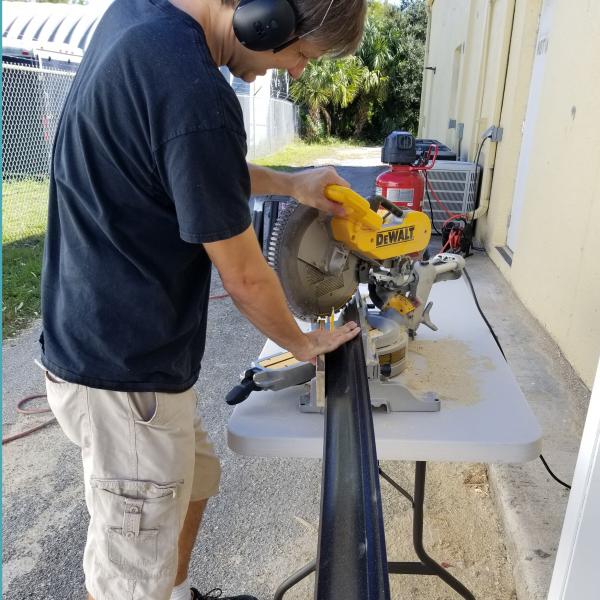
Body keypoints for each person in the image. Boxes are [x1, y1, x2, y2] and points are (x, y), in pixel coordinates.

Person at [40, 0, 367, 598]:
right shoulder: (193, 86)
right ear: (266, 15)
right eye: (299, 53)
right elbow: (243, 275)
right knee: (130, 575)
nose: (296, 71)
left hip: (109, 346)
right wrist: (303, 341)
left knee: (195, 479)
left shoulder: (141, 22)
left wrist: (292, 182)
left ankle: (175, 587)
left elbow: (190, 163)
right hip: (127, 374)